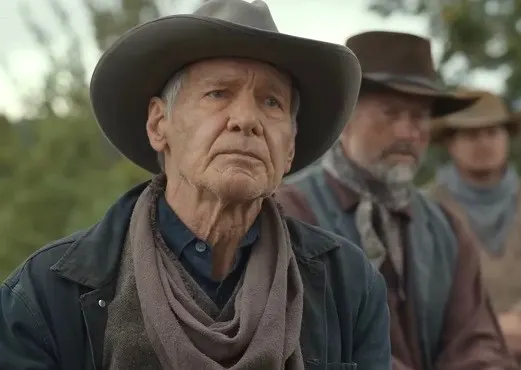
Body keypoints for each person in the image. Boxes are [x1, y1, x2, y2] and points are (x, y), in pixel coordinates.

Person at [0, 1, 391, 369]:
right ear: (158, 124)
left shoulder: (350, 288)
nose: (246, 120)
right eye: (218, 93)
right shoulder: (46, 297)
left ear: (289, 147)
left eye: (272, 102)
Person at [276, 31, 518, 369]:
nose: (407, 132)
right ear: (344, 118)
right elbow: (309, 341)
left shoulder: (443, 228)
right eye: (390, 114)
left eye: (419, 116)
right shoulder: (289, 213)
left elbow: (474, 338)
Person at [426, 89, 521, 361]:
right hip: (459, 356)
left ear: (507, 137)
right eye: (470, 134)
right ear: (450, 143)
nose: (483, 142)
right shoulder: (426, 210)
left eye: (492, 132)